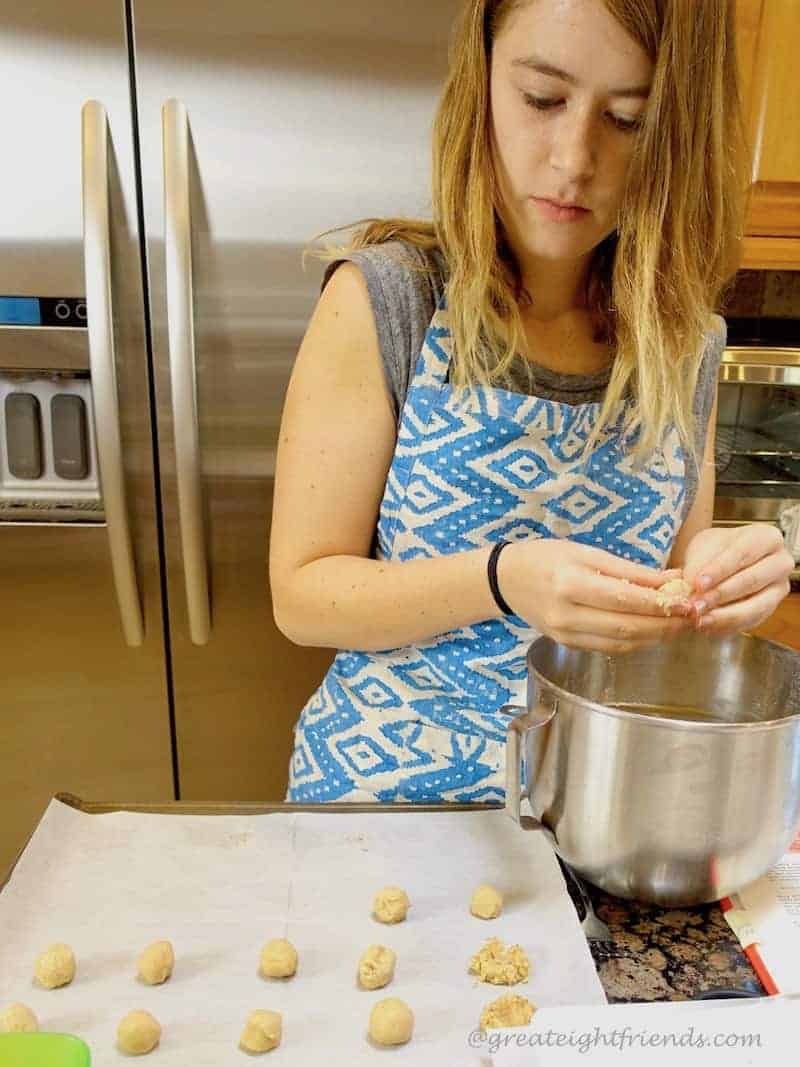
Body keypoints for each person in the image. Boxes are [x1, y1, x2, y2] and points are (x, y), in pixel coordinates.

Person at [269, 0, 794, 805]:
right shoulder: (392, 298)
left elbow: (676, 582)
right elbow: (303, 596)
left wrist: (727, 576)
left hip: (598, 810)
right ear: (479, 81)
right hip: (385, 804)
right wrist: (503, 577)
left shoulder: (684, 340)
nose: (573, 158)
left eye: (629, 120)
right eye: (542, 99)